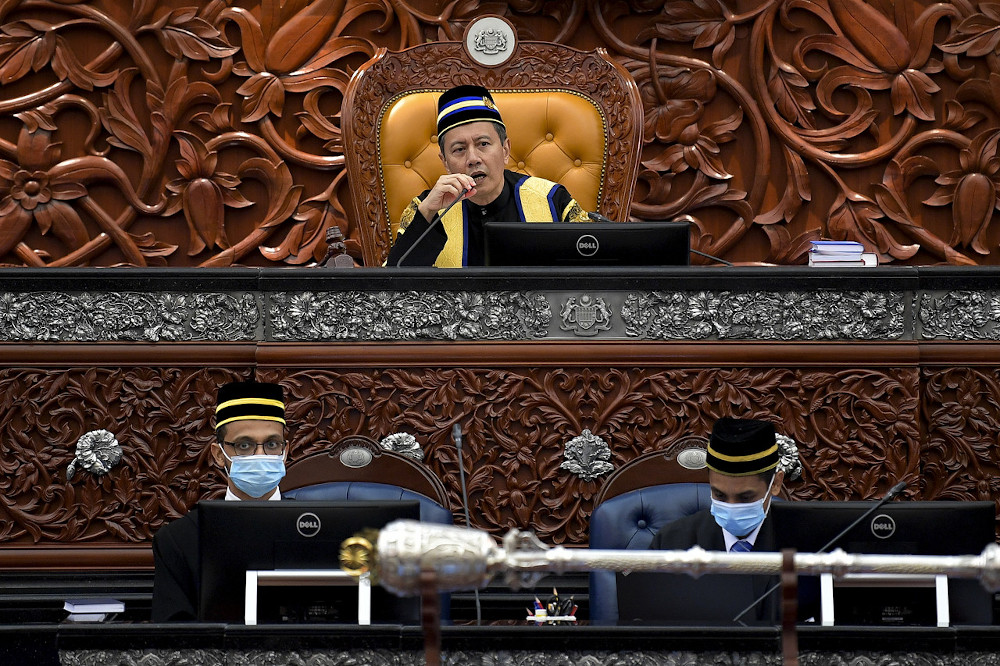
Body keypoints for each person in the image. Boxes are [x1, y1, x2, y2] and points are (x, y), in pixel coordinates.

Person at [385, 84, 590, 267]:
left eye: (483, 144)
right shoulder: (426, 208)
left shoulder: (552, 200)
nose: (473, 158)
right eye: (459, 149)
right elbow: (388, 288)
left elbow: (594, 268)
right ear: (445, 162)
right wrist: (427, 214)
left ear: (505, 150)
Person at [620, 417, 791, 625]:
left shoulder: (806, 546)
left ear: (775, 485)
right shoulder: (672, 543)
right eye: (719, 495)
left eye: (745, 498)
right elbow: (644, 627)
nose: (731, 506)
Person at [151, 380, 288, 622]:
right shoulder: (178, 541)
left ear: (285, 452)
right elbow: (172, 639)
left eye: (271, 444)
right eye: (244, 445)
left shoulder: (312, 526)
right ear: (218, 454)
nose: (260, 455)